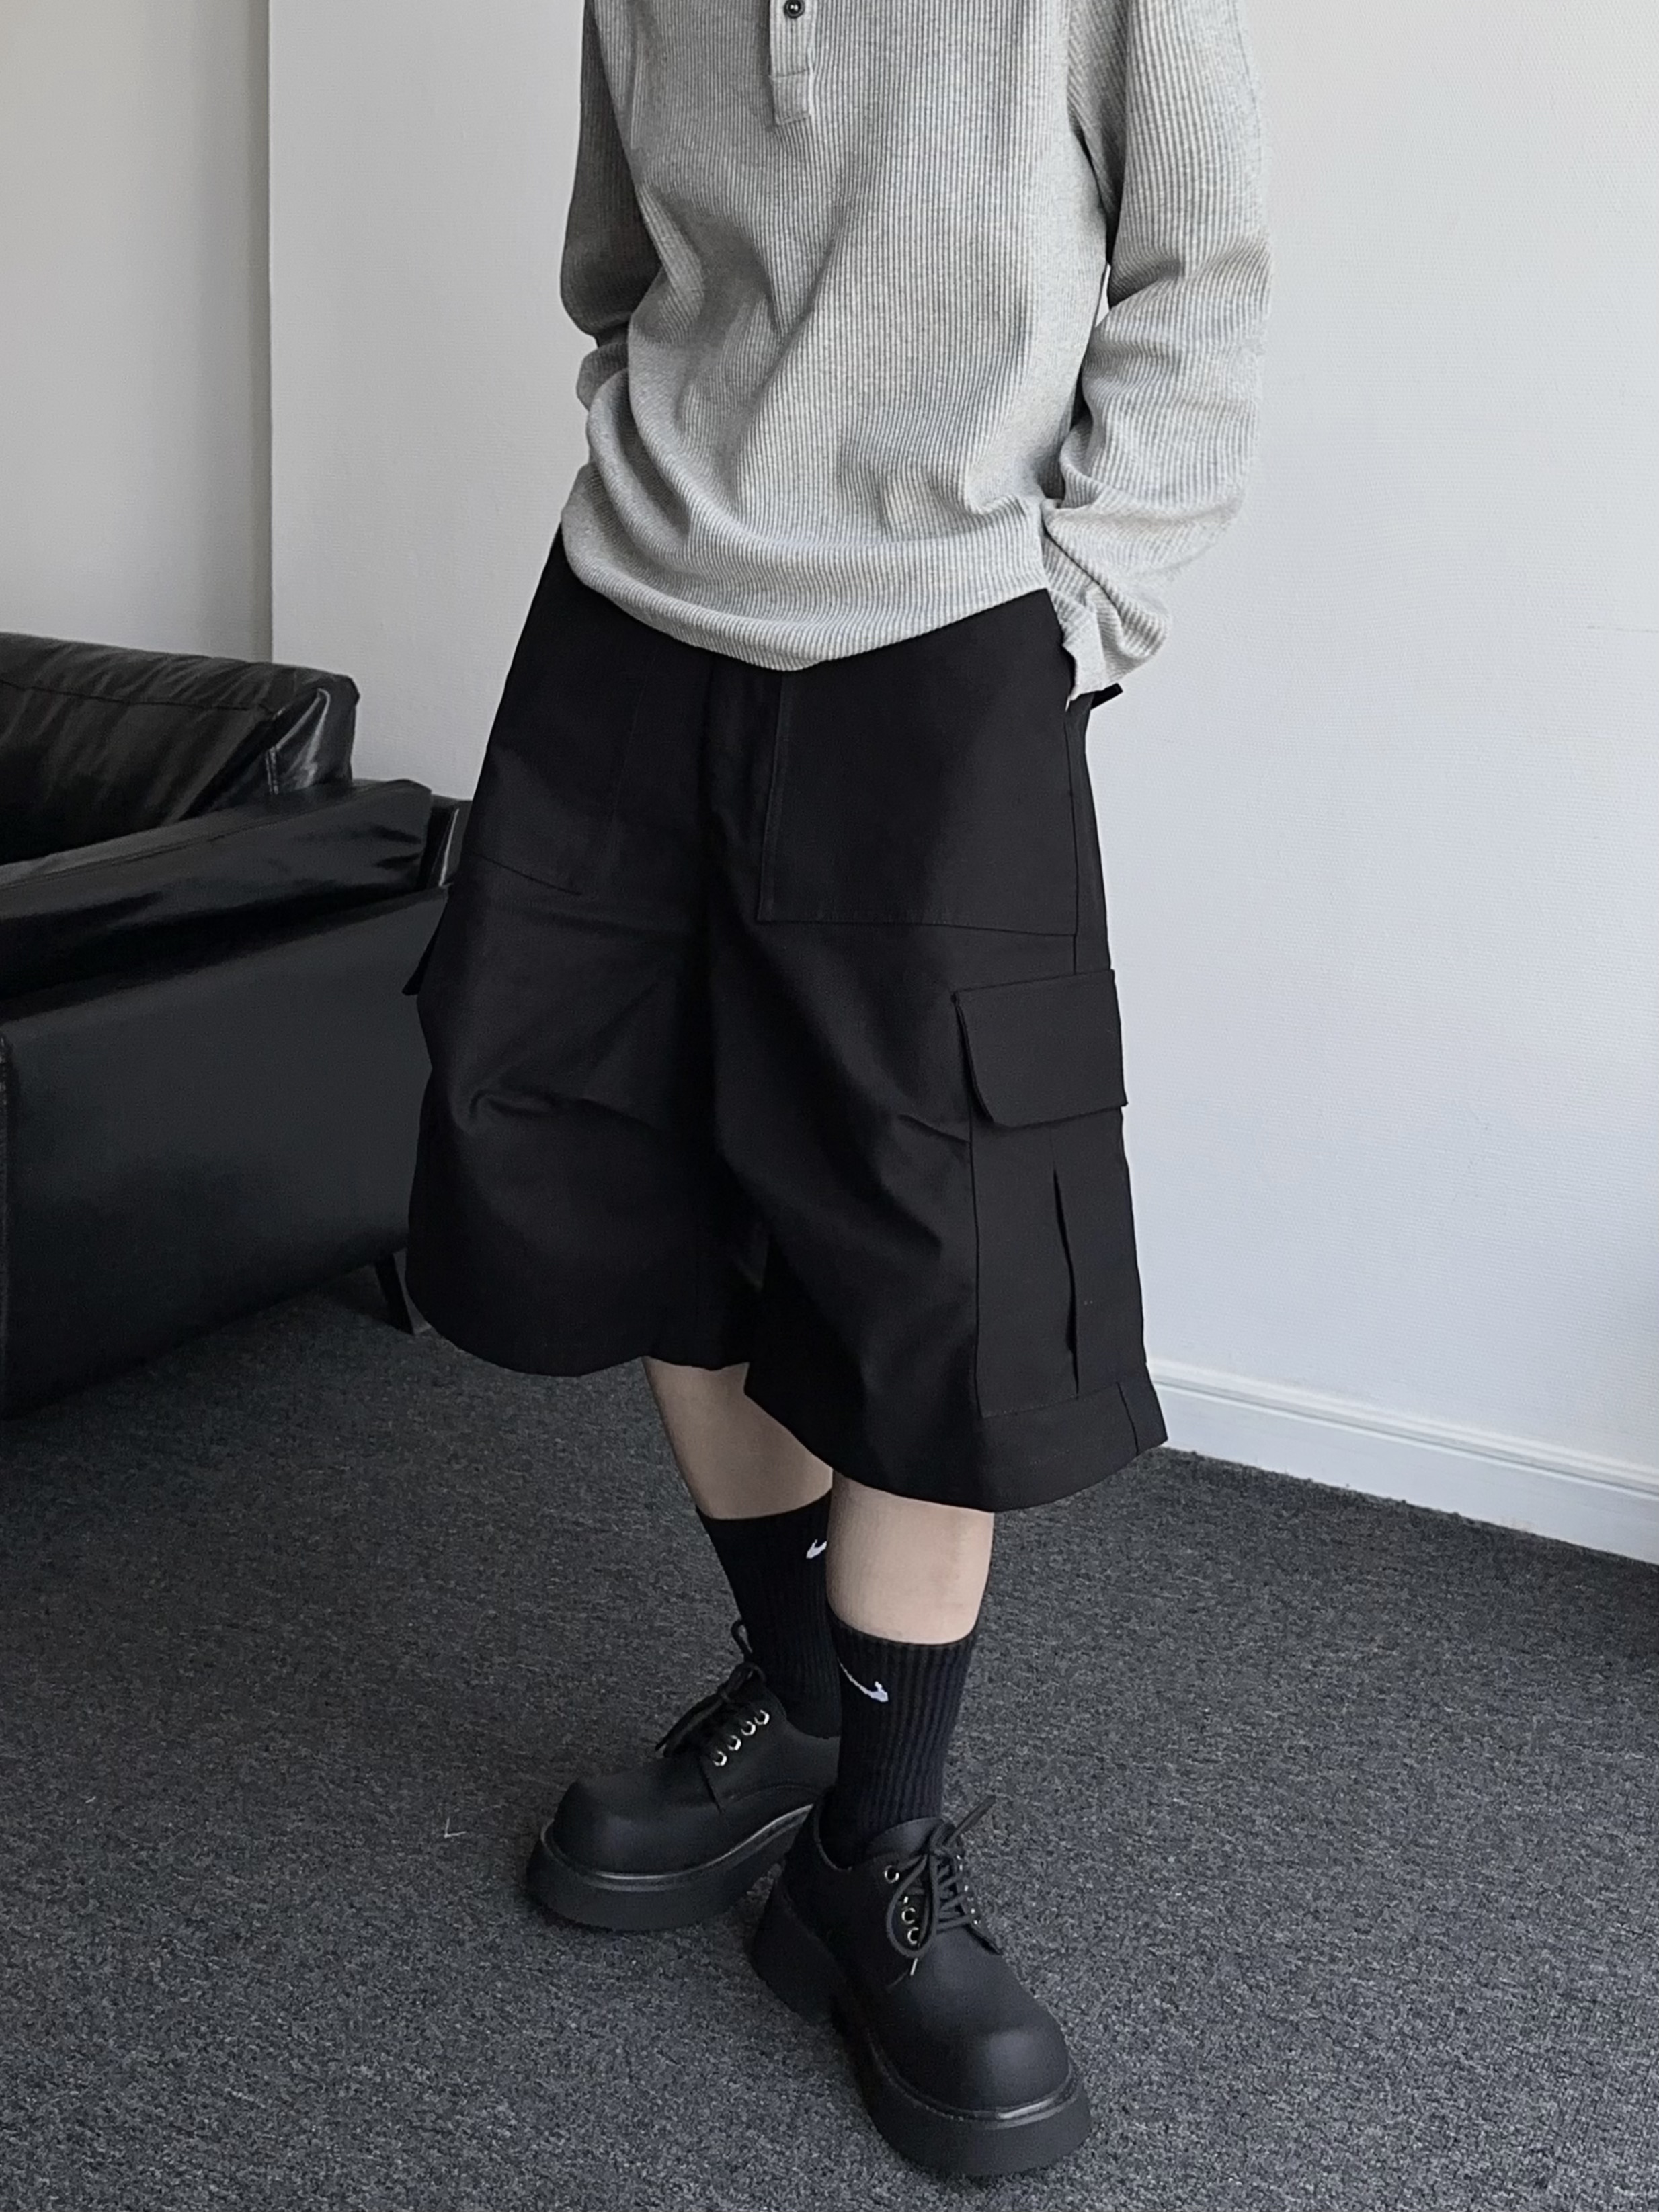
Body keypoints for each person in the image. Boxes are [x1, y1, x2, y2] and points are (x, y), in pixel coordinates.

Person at [403, 0, 1270, 2176]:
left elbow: (1200, 270)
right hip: (627, 624)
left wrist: (1079, 609)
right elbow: (617, 270)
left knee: (938, 1274)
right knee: (615, 1182)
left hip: (941, 644)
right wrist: (666, 467)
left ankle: (873, 1854)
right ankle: (800, 1693)